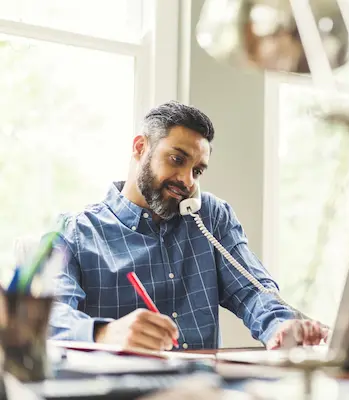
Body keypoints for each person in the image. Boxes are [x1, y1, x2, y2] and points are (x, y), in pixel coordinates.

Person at [49, 101, 328, 351]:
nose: (187, 180)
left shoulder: (211, 217)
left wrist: (280, 326)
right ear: (140, 148)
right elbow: (46, 316)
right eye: (177, 159)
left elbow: (253, 290)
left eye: (197, 170)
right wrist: (103, 332)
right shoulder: (75, 233)